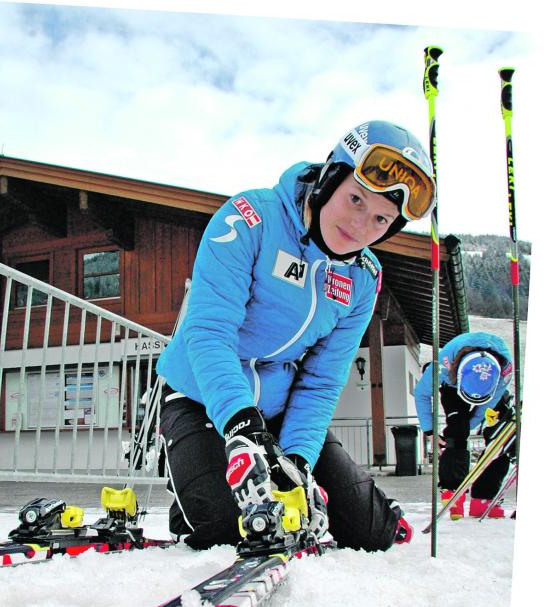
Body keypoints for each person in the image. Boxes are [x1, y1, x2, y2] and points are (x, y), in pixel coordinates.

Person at [156, 120, 437, 551]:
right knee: (232, 528)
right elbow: (209, 332)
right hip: (201, 399)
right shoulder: (250, 218)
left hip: (279, 410)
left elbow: (322, 380)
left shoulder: (363, 278)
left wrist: (297, 461)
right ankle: (191, 485)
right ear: (330, 179)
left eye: (382, 218)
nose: (362, 226)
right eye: (356, 199)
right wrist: (242, 426)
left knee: (368, 532)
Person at [414, 332, 515, 518]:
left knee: (501, 436)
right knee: (457, 428)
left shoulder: (504, 371)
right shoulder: (441, 366)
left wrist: (471, 423)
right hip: (452, 384)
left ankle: (483, 499)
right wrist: (430, 431)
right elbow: (421, 393)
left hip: (490, 391)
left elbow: (486, 406)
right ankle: (452, 490)